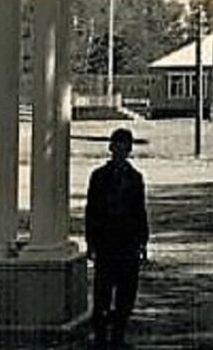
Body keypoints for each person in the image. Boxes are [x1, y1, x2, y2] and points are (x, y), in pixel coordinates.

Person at [85, 128, 149, 348]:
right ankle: (101, 338)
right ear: (111, 148)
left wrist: (143, 241)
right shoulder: (99, 177)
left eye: (125, 147)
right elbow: (91, 210)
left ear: (129, 150)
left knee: (126, 294)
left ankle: (118, 336)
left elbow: (140, 211)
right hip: (106, 242)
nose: (120, 150)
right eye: (117, 146)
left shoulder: (135, 178)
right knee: (102, 292)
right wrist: (90, 241)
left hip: (128, 242)